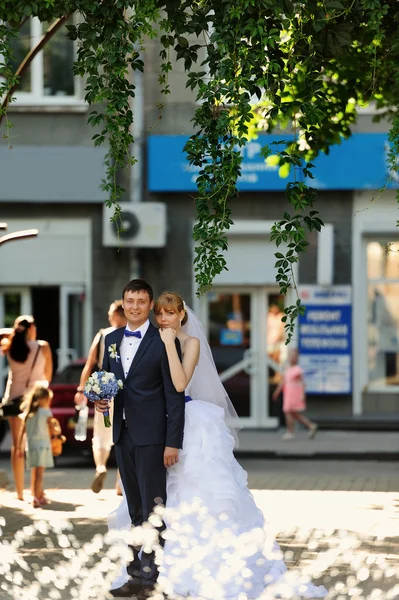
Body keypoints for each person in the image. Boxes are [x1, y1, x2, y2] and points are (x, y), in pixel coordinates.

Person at [107, 292, 327, 600]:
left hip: (188, 423)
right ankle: (148, 569)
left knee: (199, 490)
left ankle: (197, 567)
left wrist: (169, 343)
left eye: (170, 313)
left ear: (182, 315)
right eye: (160, 314)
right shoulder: (147, 341)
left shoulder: (189, 343)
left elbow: (180, 382)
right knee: (152, 499)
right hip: (154, 425)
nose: (164, 319)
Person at [95, 280, 185, 599]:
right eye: (129, 300)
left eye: (141, 301)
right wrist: (101, 399)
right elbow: (106, 381)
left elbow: (175, 397)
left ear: (149, 306)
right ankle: (135, 573)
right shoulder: (112, 340)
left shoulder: (164, 340)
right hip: (123, 434)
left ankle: (151, 576)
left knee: (153, 508)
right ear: (123, 304)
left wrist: (173, 441)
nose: (134, 306)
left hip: (153, 438)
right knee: (133, 508)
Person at [74, 300, 127, 494]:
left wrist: (81, 390)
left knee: (101, 433)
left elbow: (90, 364)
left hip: (105, 389)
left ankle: (101, 467)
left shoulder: (103, 334)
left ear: (117, 315)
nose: (109, 317)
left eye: (111, 313)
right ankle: (121, 482)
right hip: (125, 389)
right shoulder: (131, 334)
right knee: (124, 434)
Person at [0, 315, 52, 501]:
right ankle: (35, 490)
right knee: (36, 445)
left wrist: (13, 332)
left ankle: (20, 493)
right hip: (33, 402)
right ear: (32, 329)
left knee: (17, 446)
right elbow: (47, 377)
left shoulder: (11, 347)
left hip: (13, 400)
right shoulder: (42, 347)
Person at [17, 383, 54, 508]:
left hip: (31, 446)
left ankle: (36, 493)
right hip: (42, 445)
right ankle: (37, 497)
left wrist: (18, 447)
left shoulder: (28, 414)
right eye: (47, 399)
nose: (49, 402)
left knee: (34, 472)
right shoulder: (45, 412)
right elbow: (52, 427)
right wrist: (56, 435)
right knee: (40, 473)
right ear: (41, 399)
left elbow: (22, 431)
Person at [272, 348, 318, 441]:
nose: (291, 358)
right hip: (288, 393)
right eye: (290, 356)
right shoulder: (288, 369)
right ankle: (310, 425)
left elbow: (302, 383)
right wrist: (277, 391)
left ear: (297, 358)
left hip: (294, 394)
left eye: (294, 356)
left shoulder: (298, 370)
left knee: (288, 412)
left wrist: (302, 395)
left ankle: (290, 432)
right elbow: (283, 382)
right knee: (293, 413)